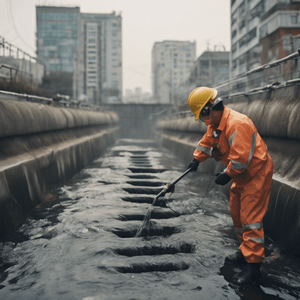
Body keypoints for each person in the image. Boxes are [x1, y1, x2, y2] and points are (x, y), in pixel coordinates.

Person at [186, 86, 273, 286]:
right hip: (242, 176)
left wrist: (227, 174)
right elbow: (207, 143)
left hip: (255, 174)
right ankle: (245, 250)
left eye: (202, 116)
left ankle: (253, 267)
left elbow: (241, 160)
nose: (203, 122)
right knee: (237, 213)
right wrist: (196, 159)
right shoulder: (216, 124)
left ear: (211, 109)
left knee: (250, 219)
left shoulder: (237, 123)